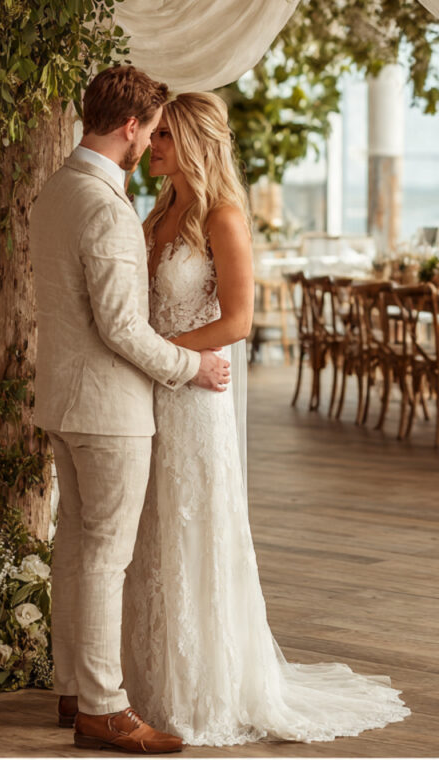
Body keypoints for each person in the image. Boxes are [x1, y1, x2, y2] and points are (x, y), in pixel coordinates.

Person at [121, 91, 409, 745]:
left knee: (193, 525)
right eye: (153, 135)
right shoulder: (158, 212)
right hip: (153, 389)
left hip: (195, 397)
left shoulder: (222, 217)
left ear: (192, 143)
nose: (151, 145)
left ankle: (203, 688)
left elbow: (239, 321)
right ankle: (146, 680)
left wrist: (164, 356)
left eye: (163, 136)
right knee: (152, 530)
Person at [32, 66, 231, 755]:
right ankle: (104, 709)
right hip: (108, 409)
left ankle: (71, 687)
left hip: (62, 399)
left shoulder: (56, 190)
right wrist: (190, 366)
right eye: (150, 131)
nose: (149, 144)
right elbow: (121, 326)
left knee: (73, 547)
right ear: (129, 126)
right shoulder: (107, 206)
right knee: (104, 558)